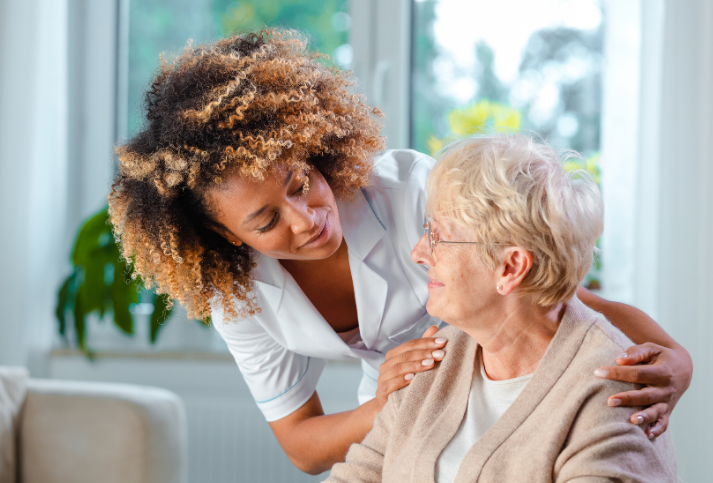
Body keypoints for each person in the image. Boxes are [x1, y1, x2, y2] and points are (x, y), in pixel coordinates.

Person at [108, 30, 691, 474]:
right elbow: (305, 445)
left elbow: (552, 290)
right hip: (409, 400)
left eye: (301, 182)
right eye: (266, 221)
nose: (308, 219)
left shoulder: (411, 192)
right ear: (231, 238)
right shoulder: (240, 294)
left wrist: (675, 358)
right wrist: (390, 400)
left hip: (506, 372)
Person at [325, 134, 679, 483]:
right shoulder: (433, 361)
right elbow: (361, 473)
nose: (418, 252)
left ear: (510, 268)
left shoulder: (611, 395)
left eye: (437, 236)